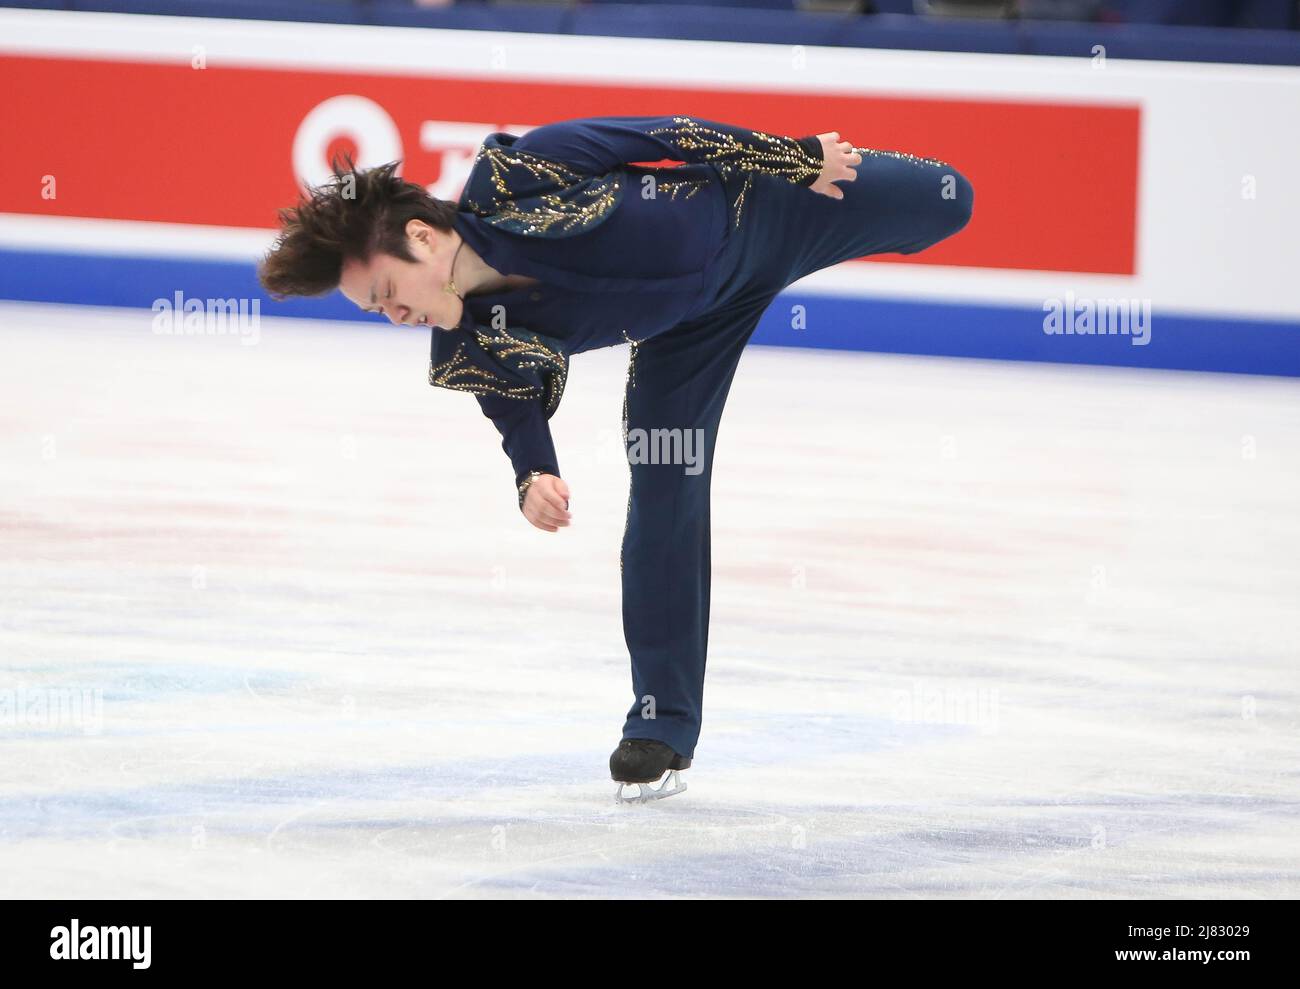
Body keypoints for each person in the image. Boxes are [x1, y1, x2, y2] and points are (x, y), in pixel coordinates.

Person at [258, 115, 973, 802]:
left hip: (763, 213)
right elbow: (515, 412)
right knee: (664, 485)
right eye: (373, 311)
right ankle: (660, 725)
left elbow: (667, 133)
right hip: (686, 335)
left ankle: (855, 200)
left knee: (948, 199)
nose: (392, 316)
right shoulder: (470, 341)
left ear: (421, 236)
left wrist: (796, 159)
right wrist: (533, 475)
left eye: (385, 294)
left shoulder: (519, 175)